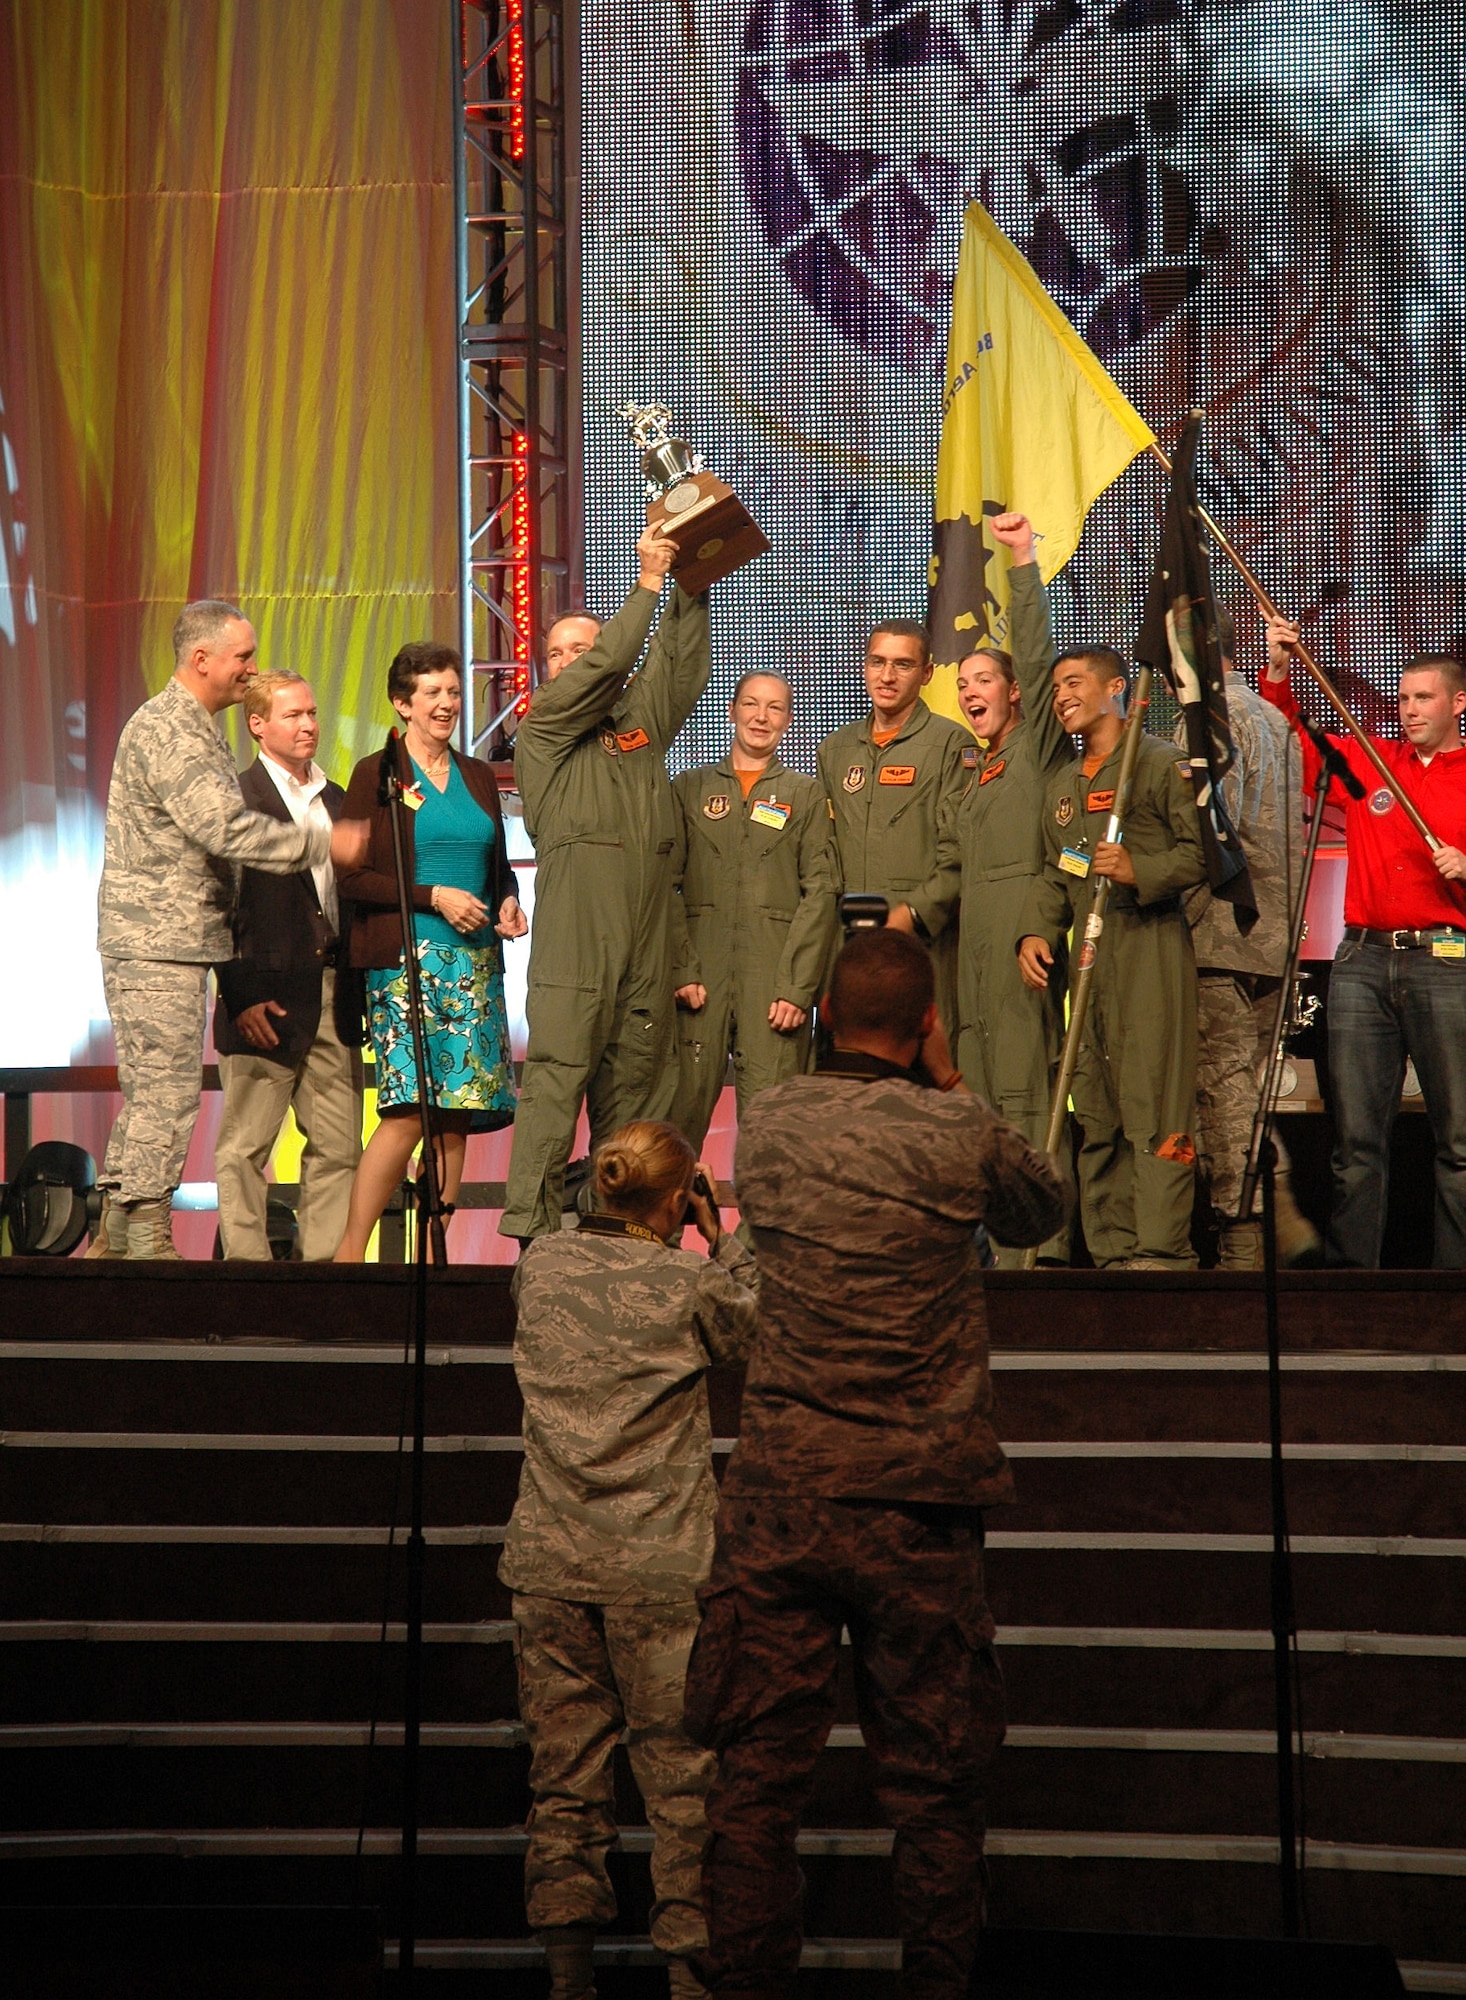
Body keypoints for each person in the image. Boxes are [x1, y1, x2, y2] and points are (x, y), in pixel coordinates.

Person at [683, 930, 1067, 2000]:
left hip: (782, 1496)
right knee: (937, 1786)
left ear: (821, 1014)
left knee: (755, 1783)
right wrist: (948, 1080)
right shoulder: (957, 1129)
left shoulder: (771, 1121)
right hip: (919, 1503)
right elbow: (1041, 1208)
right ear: (927, 1023)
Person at [501, 1121, 758, 2000]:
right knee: (684, 1787)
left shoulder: (540, 1265)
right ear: (680, 1198)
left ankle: (568, 1982)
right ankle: (689, 1979)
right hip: (660, 1569)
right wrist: (724, 1240)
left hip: (550, 1565)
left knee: (563, 1784)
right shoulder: (693, 1283)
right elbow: (760, 1331)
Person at [91, 599, 367, 1261]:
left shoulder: (192, 728)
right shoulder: (171, 730)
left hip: (168, 942)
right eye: (242, 656)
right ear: (201, 659)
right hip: (158, 943)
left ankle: (117, 1235)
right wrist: (322, 843)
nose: (250, 667)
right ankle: (146, 1237)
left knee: (153, 1092)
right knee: (165, 1094)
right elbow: (223, 827)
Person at [500, 526, 715, 1243]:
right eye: (559, 654)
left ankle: (624, 1239)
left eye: (582, 649)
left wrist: (688, 578)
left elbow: (677, 665)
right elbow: (611, 663)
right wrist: (647, 584)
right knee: (556, 1084)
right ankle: (532, 1238)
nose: (573, 663)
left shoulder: (639, 723)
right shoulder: (544, 732)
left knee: (635, 1100)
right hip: (577, 942)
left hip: (646, 940)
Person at [1261, 624, 1466, 1267]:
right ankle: (1352, 1288)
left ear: (1458, 702)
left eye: (1424, 698)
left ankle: (1452, 1289)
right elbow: (1292, 745)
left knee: (1459, 1141)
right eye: (1403, 698)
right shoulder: (1371, 762)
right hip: (1360, 961)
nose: (1410, 709)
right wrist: (1279, 672)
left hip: (1447, 960)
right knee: (1354, 1143)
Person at [334, 641, 526, 1261]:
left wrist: (507, 900)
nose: (446, 704)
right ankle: (349, 1255)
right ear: (403, 703)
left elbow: (497, 867)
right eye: (432, 693)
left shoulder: (477, 775)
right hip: (407, 965)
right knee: (410, 1111)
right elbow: (351, 877)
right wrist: (434, 896)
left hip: (476, 966)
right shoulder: (375, 774)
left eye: (453, 692)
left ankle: (433, 1256)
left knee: (455, 1114)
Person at [1017, 649, 1207, 1268]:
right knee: (1096, 1107)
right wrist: (1035, 931)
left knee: (1155, 1105)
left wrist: (1137, 869)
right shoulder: (1062, 786)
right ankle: (1112, 1253)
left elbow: (1203, 856)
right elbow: (1059, 871)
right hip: (1089, 962)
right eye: (1055, 688)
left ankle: (1160, 1252)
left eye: (1074, 683)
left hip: (1149, 948)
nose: (1062, 697)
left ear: (1117, 688)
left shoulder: (1158, 764)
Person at [1171, 608, 1318, 1269]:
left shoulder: (1204, 720)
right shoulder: (1276, 721)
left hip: (1217, 937)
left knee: (1223, 1095)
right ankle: (1276, 1215)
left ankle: (1247, 1241)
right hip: (1272, 937)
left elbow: (1204, 835)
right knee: (1246, 1092)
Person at [946, 512, 1073, 1265]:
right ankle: (992, 1265)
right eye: (962, 684)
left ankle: (1040, 1264)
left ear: (1017, 692)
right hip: (974, 961)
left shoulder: (1037, 747)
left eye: (984, 679)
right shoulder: (976, 769)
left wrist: (1022, 561)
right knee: (982, 1113)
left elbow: (1036, 649)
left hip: (1022, 951)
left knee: (1027, 1106)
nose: (970, 691)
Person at [212, 672, 365, 1259]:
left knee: (338, 1146)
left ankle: (323, 1277)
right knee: (245, 1147)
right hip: (265, 1000)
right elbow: (215, 905)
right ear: (257, 725)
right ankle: (247, 1273)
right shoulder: (236, 800)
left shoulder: (337, 800)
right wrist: (239, 993)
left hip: (333, 994)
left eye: (312, 713)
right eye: (292, 715)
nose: (308, 725)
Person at [669, 671, 839, 1151]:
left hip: (773, 985)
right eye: (751, 704)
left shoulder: (804, 795)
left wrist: (796, 987)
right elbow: (664, 886)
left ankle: (764, 1207)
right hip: (699, 979)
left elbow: (821, 893)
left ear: (788, 720)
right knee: (675, 1127)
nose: (761, 717)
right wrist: (680, 967)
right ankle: (669, 1206)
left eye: (775, 707)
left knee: (773, 1131)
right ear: (732, 711)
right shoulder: (689, 788)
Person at [816, 619, 970, 1039]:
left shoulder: (950, 745)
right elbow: (821, 856)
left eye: (902, 665)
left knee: (919, 1062)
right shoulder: (834, 750)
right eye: (877, 662)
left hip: (921, 945)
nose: (886, 676)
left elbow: (959, 854)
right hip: (848, 947)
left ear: (927, 673)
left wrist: (911, 914)